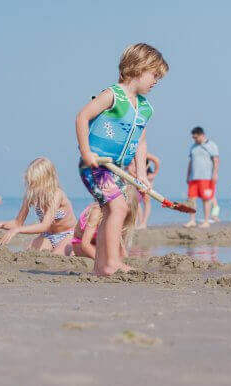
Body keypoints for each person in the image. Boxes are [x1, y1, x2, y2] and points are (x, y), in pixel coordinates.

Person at [75, 43, 168, 276]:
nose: (156, 81)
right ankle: (112, 263)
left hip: (116, 168)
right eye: (154, 75)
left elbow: (141, 143)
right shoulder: (112, 95)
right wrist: (86, 152)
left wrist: (141, 174)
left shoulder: (145, 108)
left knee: (112, 211)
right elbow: (82, 117)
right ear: (138, 68)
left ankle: (101, 267)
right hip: (97, 163)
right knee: (119, 208)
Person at [0, 157, 75, 254]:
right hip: (48, 236)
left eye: (35, 183)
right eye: (30, 183)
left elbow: (45, 225)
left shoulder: (57, 194)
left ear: (47, 180)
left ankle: (74, 250)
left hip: (68, 234)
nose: (32, 187)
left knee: (56, 255)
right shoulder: (31, 195)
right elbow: (18, 223)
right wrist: (2, 224)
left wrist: (17, 230)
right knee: (28, 254)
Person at [71, 185, 140, 259]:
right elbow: (85, 245)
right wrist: (102, 260)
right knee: (107, 259)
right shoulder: (97, 212)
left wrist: (125, 259)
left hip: (99, 244)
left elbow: (120, 244)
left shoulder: (122, 217)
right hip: (80, 243)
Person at [184, 126, 219, 228]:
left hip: (206, 177)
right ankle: (192, 220)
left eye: (196, 137)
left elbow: (216, 161)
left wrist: (215, 174)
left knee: (206, 199)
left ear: (202, 135)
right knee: (191, 199)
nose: (195, 139)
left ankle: (206, 221)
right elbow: (190, 162)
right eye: (193, 138)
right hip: (193, 177)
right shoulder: (193, 147)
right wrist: (187, 175)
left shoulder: (211, 145)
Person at [129, 152, 160, 229]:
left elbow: (156, 160)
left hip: (146, 177)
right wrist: (135, 176)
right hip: (135, 178)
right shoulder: (130, 153)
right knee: (136, 201)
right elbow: (129, 169)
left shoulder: (143, 153)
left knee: (146, 200)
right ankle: (137, 222)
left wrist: (154, 174)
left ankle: (144, 222)